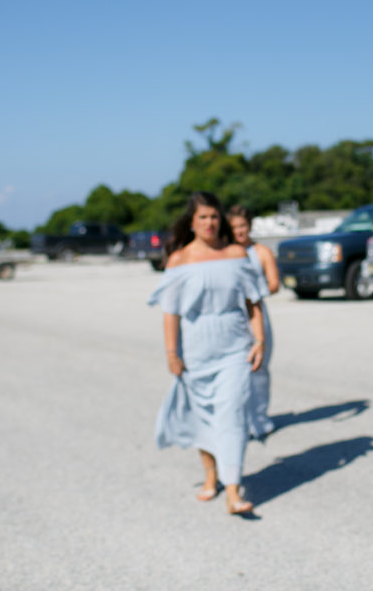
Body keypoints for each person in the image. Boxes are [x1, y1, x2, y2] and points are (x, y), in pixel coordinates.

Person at [149, 192, 266, 515]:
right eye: (203, 217)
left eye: (214, 216)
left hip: (234, 348)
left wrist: (259, 341)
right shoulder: (179, 261)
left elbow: (253, 303)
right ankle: (210, 476)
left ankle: (232, 490)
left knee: (231, 414)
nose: (210, 223)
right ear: (192, 222)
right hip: (196, 350)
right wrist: (172, 353)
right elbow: (170, 314)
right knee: (204, 418)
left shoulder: (236, 254)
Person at [226, 205, 280, 438]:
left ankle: (260, 418)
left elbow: (274, 284)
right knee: (235, 370)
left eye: (242, 226)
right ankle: (239, 418)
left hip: (256, 313)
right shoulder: (224, 251)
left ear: (249, 226)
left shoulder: (261, 251)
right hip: (232, 315)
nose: (239, 231)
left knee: (259, 368)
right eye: (234, 227)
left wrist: (252, 293)